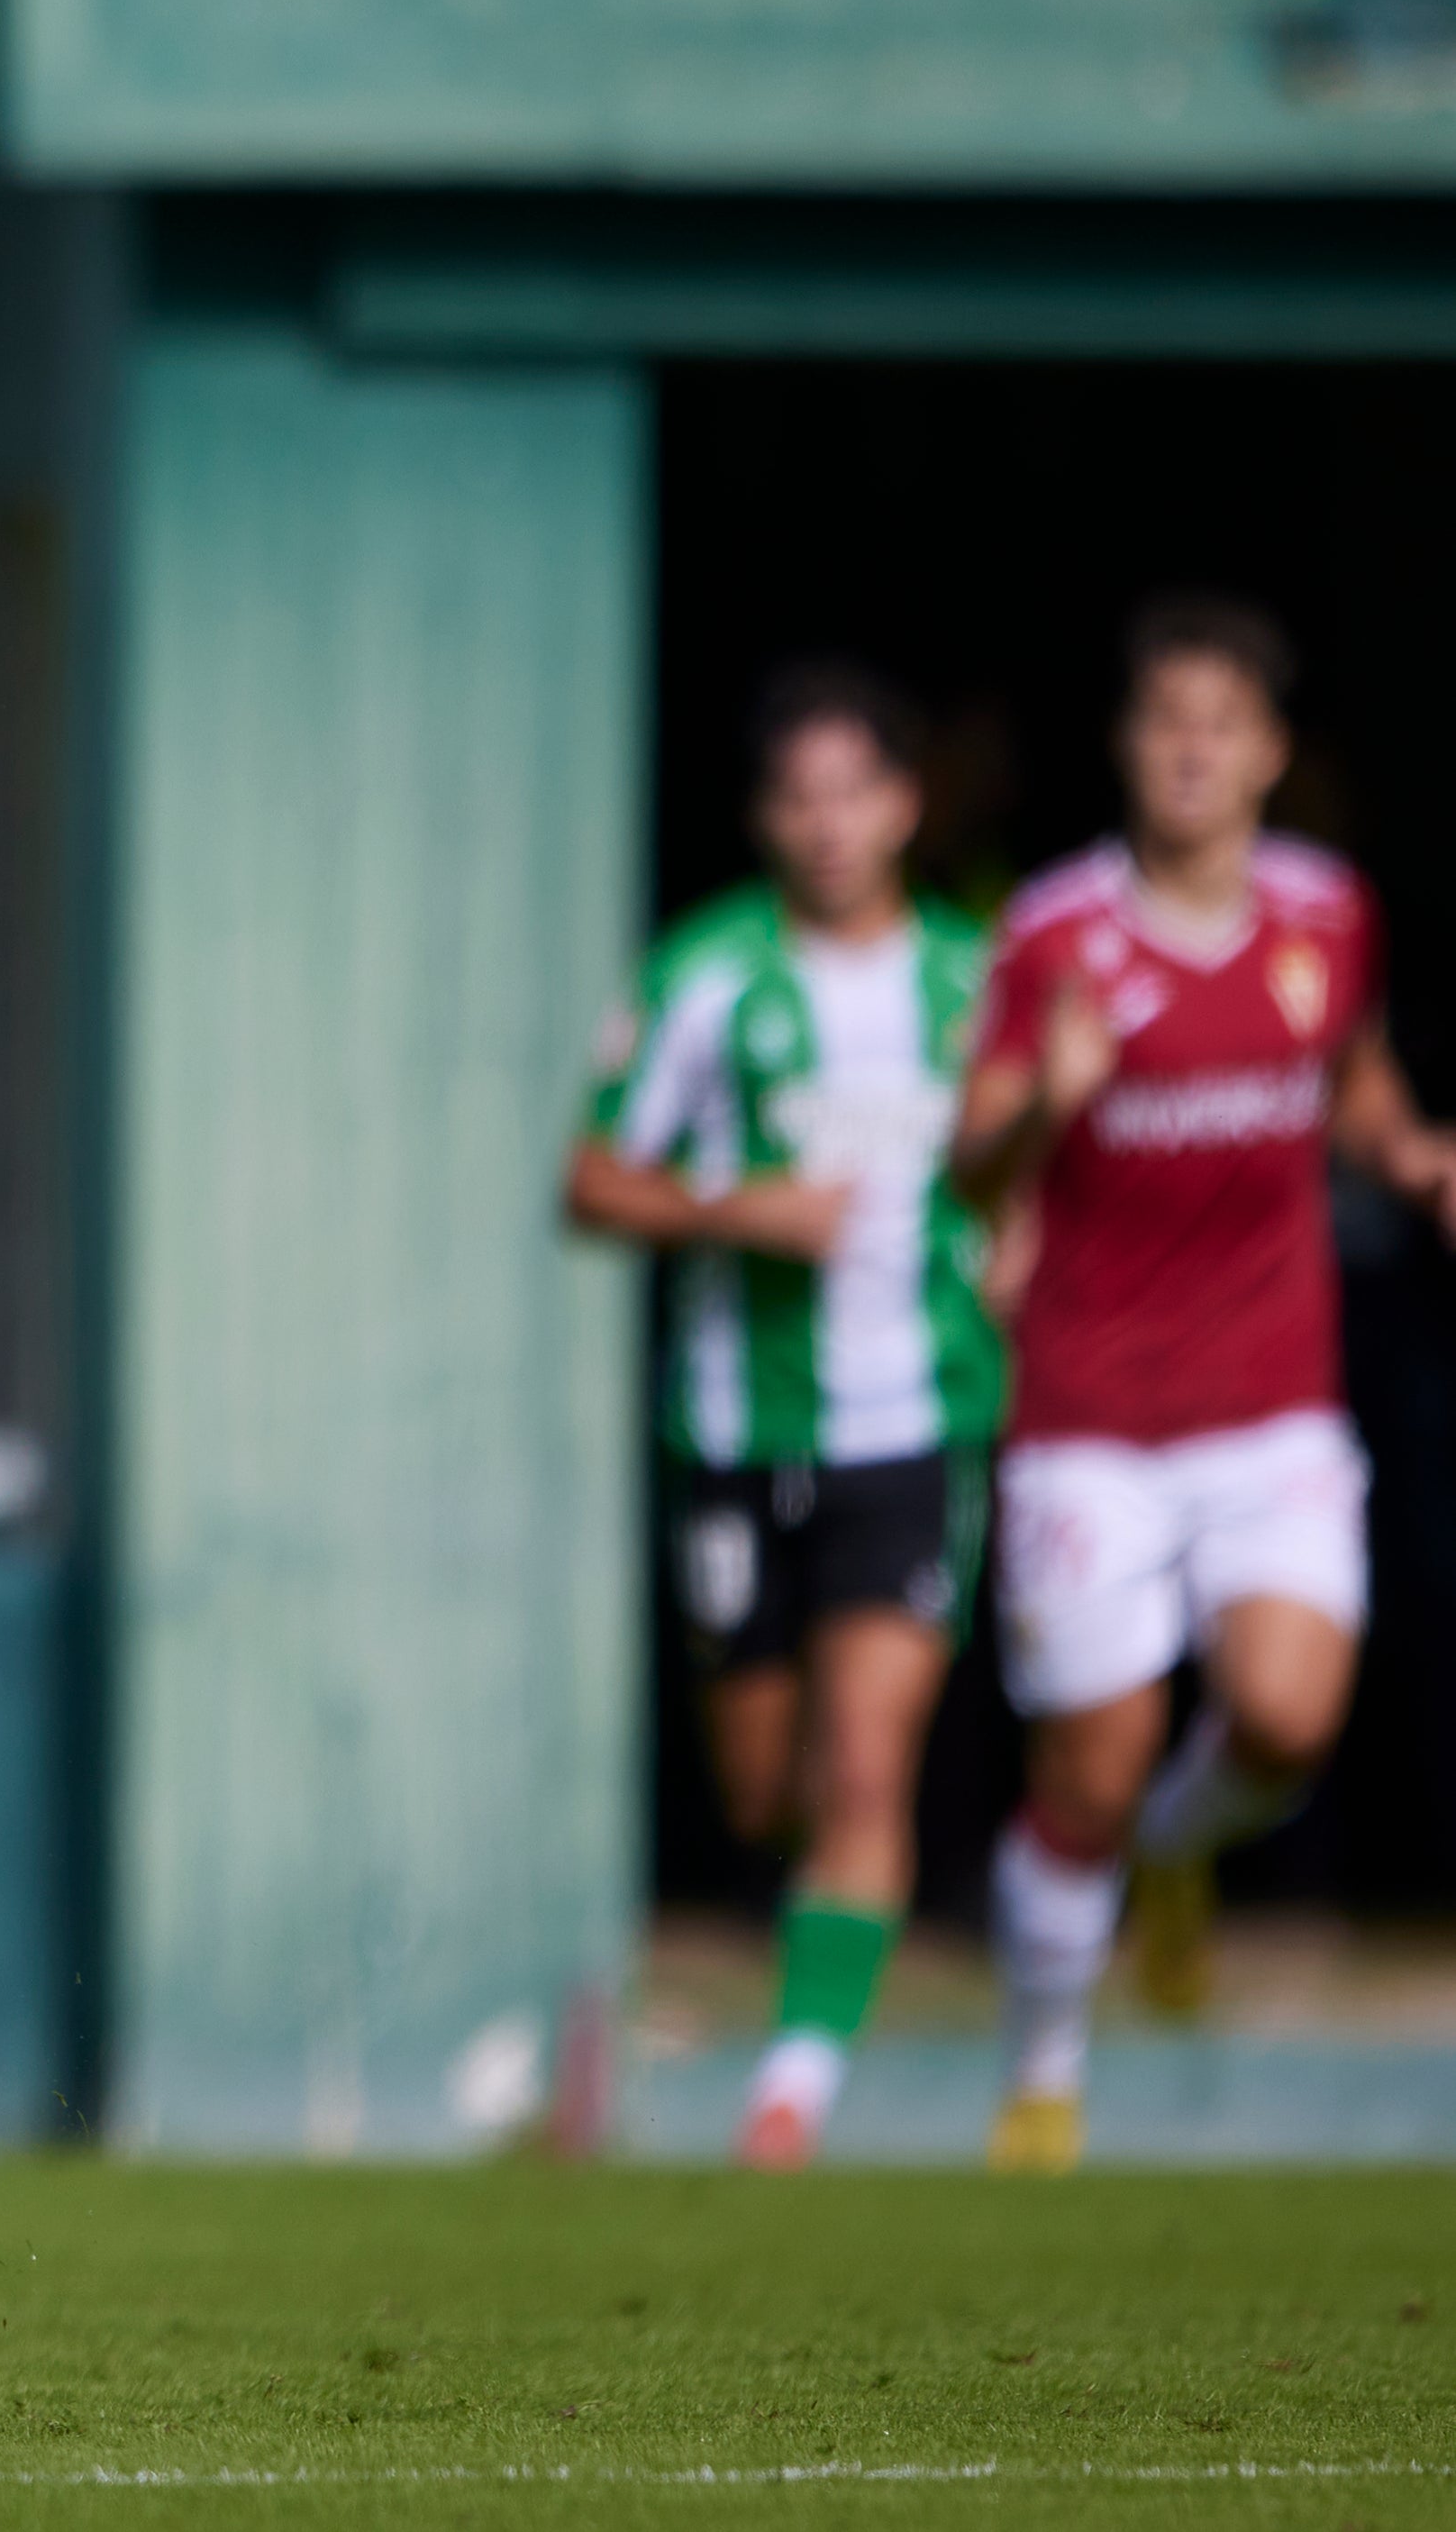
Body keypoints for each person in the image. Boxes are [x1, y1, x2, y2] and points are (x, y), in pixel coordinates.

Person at [950, 596, 1456, 2169]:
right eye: (1166, 719)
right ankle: (1045, 2070)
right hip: (1091, 1414)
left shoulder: (1326, 914)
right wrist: (1050, 1108)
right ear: (1127, 743)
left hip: (1270, 1395)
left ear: (1268, 755)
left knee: (1291, 1719)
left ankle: (1176, 1858)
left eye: (1221, 725)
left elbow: (1352, 1075)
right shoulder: (1052, 936)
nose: (1191, 750)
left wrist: (1409, 1150)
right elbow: (971, 1164)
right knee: (1088, 1769)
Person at [565, 662, 998, 2168]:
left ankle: (789, 2100)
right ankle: (809, 1939)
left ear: (903, 805)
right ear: (767, 816)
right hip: (741, 1439)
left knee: (869, 1769)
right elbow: (590, 1179)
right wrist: (733, 1205)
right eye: (796, 796)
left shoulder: (975, 984)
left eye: (853, 792)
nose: (827, 825)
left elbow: (1037, 1174)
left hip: (917, 1426)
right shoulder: (706, 973)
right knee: (767, 1787)